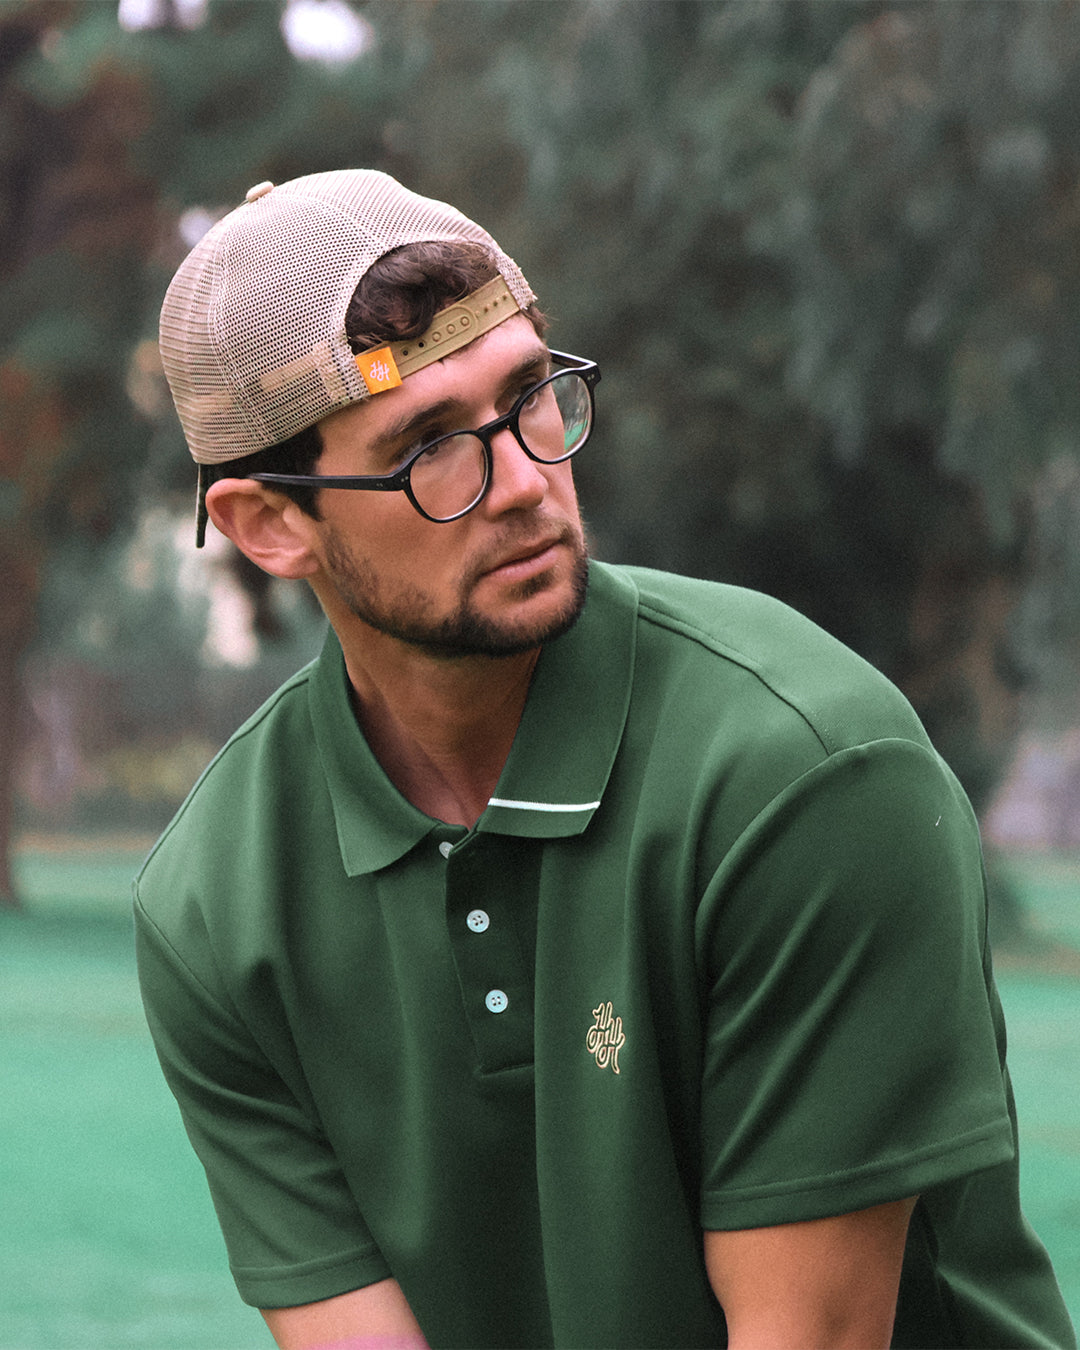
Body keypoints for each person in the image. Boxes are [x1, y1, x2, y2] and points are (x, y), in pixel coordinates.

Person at [135, 168, 1075, 1350]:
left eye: (532, 394)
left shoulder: (805, 773)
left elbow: (810, 1337)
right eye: (428, 448)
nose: (528, 482)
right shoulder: (216, 908)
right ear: (272, 525)